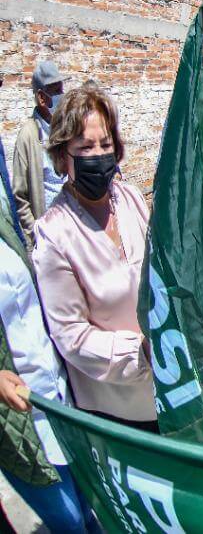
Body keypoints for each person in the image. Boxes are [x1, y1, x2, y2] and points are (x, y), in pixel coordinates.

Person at [32, 85, 156, 429]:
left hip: (166, 389)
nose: (99, 155)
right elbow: (70, 336)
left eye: (105, 144)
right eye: (85, 147)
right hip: (116, 412)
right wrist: (141, 354)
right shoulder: (54, 235)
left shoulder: (128, 198)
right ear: (62, 156)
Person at [0, 238, 99, 533]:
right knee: (68, 519)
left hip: (59, 392)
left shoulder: (5, 227)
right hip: (17, 421)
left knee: (90, 504)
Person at [13, 61, 67, 249]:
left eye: (62, 89)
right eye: (57, 91)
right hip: (48, 238)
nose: (63, 96)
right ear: (42, 98)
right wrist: (35, 234)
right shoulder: (28, 136)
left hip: (72, 231)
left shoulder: (66, 129)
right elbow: (20, 196)